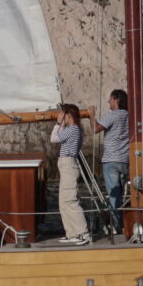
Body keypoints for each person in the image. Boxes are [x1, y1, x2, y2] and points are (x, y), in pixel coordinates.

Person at [49, 103, 88, 244]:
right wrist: (62, 125)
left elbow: (54, 138)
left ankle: (83, 232)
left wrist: (58, 123)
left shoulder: (73, 129)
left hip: (68, 166)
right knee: (63, 202)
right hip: (66, 165)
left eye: (63, 114)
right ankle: (72, 233)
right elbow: (59, 137)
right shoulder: (73, 129)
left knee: (70, 200)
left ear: (68, 115)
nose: (61, 117)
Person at [96, 88, 131, 216]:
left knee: (113, 195)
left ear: (116, 100)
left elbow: (95, 129)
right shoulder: (129, 115)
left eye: (110, 99)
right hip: (125, 160)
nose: (108, 101)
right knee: (120, 195)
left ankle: (116, 225)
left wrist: (91, 114)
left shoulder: (112, 115)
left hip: (111, 160)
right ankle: (121, 221)